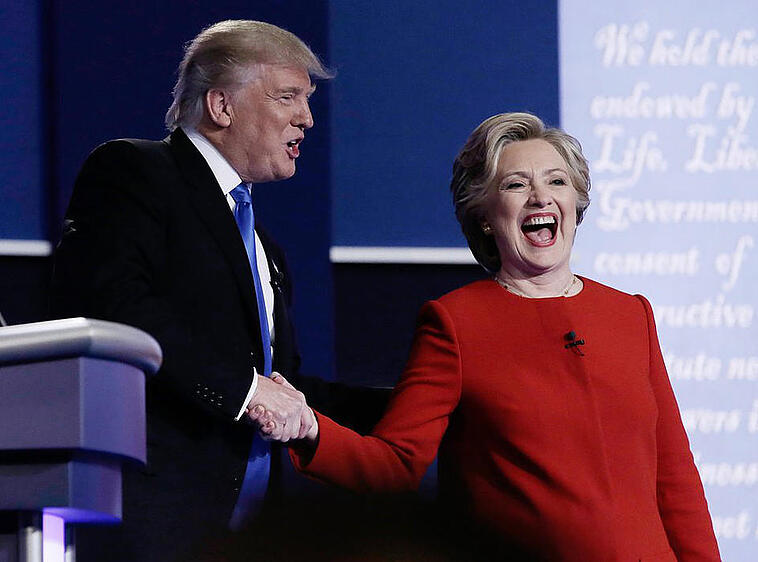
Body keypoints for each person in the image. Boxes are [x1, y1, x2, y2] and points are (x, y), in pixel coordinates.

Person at [259, 113, 722, 560]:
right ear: (484, 215)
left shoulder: (629, 314)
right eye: (517, 184)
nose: (540, 197)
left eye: (556, 181)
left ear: (576, 203)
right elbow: (397, 465)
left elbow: (675, 478)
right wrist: (310, 429)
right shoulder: (455, 323)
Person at [50, 20, 384, 561]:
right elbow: (114, 308)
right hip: (148, 524)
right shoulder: (134, 171)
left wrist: (419, 405)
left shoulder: (263, 246)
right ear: (222, 107)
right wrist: (247, 392)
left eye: (307, 99)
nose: (307, 117)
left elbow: (285, 391)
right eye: (288, 96)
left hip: (246, 534)